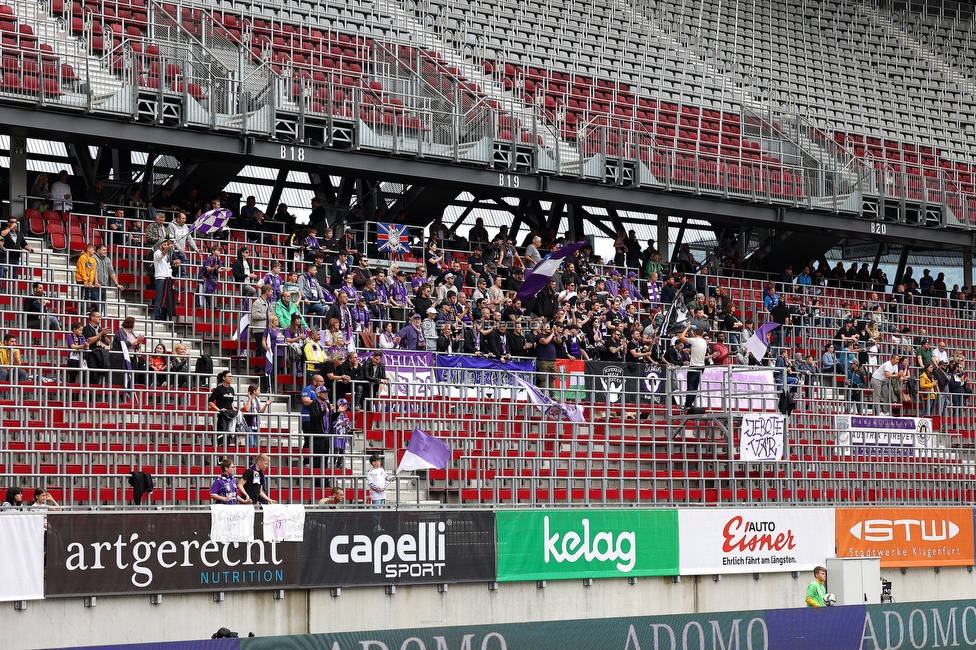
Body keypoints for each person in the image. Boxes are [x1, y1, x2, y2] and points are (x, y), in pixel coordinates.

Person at [677, 322, 707, 413]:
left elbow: (681, 337)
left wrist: (686, 328)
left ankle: (687, 404)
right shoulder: (704, 341)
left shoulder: (694, 340)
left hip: (694, 366)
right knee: (695, 387)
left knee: (690, 386)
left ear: (694, 334)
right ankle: (690, 403)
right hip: (702, 366)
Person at [208, 370, 238, 446]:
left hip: (229, 415)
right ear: (224, 378)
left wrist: (233, 408)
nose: (231, 378)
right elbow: (210, 401)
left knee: (229, 437)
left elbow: (231, 401)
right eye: (229, 376)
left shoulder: (231, 389)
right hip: (221, 416)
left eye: (232, 376)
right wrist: (219, 410)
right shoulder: (219, 389)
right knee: (220, 436)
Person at [93, 244, 124, 315]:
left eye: (106, 250)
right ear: (98, 251)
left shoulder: (107, 259)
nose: (105, 252)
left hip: (103, 286)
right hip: (95, 286)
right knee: (97, 308)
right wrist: (96, 282)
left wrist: (117, 284)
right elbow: (95, 271)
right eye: (103, 250)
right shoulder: (94, 258)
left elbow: (111, 272)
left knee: (101, 308)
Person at [153, 238, 176, 321]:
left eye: (167, 244)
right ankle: (157, 316)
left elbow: (168, 267)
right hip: (160, 278)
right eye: (164, 244)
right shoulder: (157, 253)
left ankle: (163, 315)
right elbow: (160, 256)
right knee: (159, 298)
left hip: (166, 278)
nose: (166, 246)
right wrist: (167, 249)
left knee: (165, 298)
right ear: (160, 245)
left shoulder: (166, 255)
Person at [75, 242, 97, 313]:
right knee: (82, 295)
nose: (94, 251)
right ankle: (81, 310)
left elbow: (92, 271)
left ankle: (87, 309)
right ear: (88, 249)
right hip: (81, 279)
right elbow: (82, 270)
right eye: (93, 250)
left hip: (88, 281)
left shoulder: (93, 260)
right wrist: (85, 281)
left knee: (88, 295)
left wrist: (90, 282)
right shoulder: (82, 257)